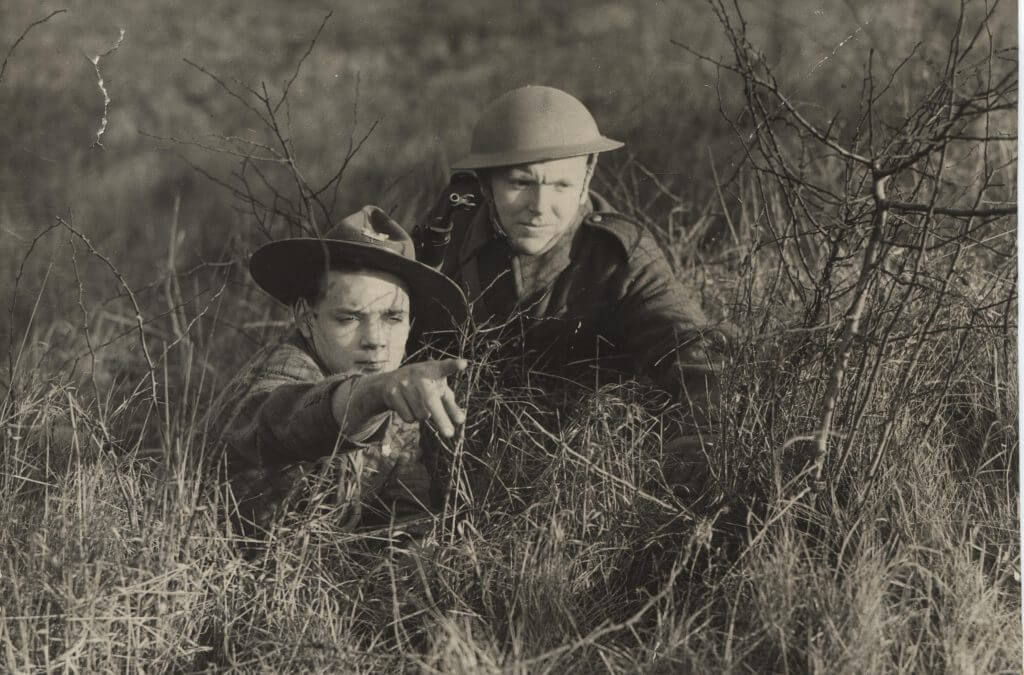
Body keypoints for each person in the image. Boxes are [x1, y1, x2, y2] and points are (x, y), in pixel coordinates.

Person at [413, 85, 731, 500]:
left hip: (593, 474)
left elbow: (692, 352)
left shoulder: (619, 254)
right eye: (521, 182)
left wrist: (697, 448)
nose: (540, 205)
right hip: (463, 480)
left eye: (561, 185)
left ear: (587, 178)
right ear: (486, 184)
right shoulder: (446, 241)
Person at [220, 205, 468, 534]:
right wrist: (376, 392)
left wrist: (419, 556)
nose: (376, 341)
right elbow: (282, 417)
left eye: (393, 318)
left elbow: (405, 507)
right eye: (350, 318)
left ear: (411, 324)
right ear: (306, 319)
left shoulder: (399, 387)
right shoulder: (281, 369)